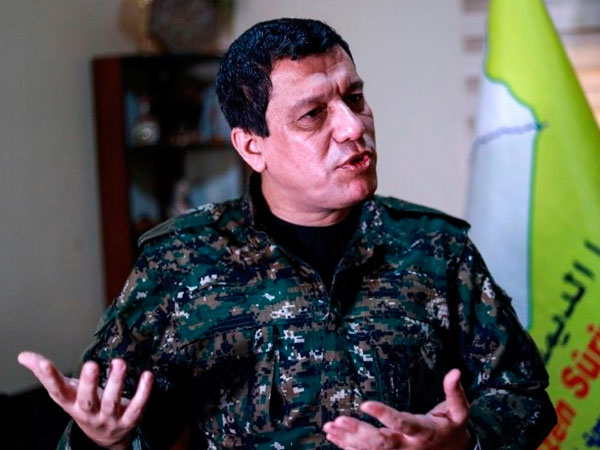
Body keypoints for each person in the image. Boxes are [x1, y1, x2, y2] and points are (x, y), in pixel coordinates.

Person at [19, 18, 556, 450]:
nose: (353, 127)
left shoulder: (436, 248)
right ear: (252, 147)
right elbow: (113, 417)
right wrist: (104, 440)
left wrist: (465, 441)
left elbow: (525, 396)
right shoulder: (180, 262)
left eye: (355, 98)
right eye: (313, 114)